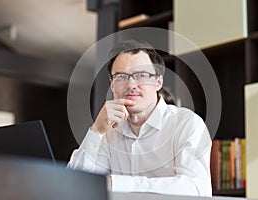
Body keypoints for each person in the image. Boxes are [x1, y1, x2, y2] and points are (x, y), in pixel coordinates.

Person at [67, 40, 212, 197]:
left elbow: (196, 189)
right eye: (121, 76)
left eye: (141, 75)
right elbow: (73, 185)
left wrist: (119, 183)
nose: (131, 84)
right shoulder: (108, 131)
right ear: (112, 85)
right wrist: (96, 131)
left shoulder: (187, 123)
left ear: (158, 82)